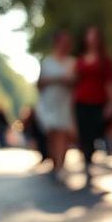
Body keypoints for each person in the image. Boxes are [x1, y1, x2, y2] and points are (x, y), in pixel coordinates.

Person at [73, 26, 112, 185]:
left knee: (95, 131)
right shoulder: (80, 60)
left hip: (99, 102)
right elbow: (74, 81)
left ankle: (91, 158)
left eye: (95, 35)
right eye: (89, 35)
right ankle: (87, 163)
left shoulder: (105, 60)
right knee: (84, 134)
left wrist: (111, 104)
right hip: (81, 101)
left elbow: (110, 83)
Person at [36, 30, 76, 178]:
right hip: (49, 103)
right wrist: (55, 80)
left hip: (65, 102)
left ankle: (60, 165)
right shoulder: (47, 62)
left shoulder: (72, 62)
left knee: (63, 133)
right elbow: (39, 84)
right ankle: (56, 163)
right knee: (52, 134)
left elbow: (75, 82)